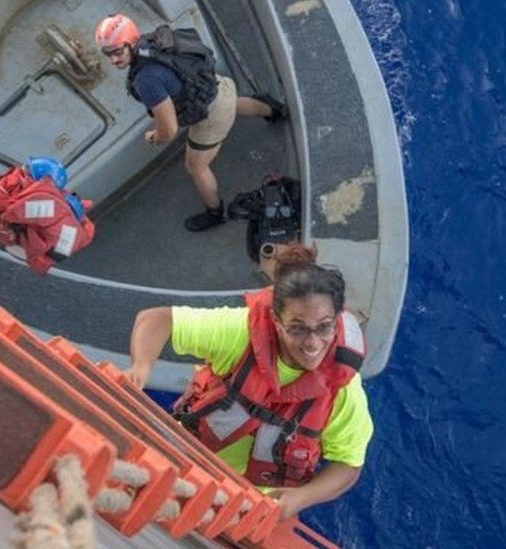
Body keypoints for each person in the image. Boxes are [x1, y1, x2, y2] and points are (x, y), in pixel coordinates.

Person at [124, 244, 373, 520]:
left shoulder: (343, 389)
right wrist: (141, 367)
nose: (313, 343)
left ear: (337, 320)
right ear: (276, 320)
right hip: (182, 459)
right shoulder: (240, 334)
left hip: (250, 508)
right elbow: (157, 320)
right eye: (297, 328)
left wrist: (302, 497)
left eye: (324, 326)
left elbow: (349, 462)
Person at [95, 14, 288, 232]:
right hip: (218, 86)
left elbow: (169, 130)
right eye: (107, 53)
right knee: (230, 103)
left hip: (210, 115)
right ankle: (275, 110)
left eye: (117, 52)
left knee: (196, 166)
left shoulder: (146, 80)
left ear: (131, 43)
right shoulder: (152, 42)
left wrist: (155, 137)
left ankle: (215, 212)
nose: (113, 60)